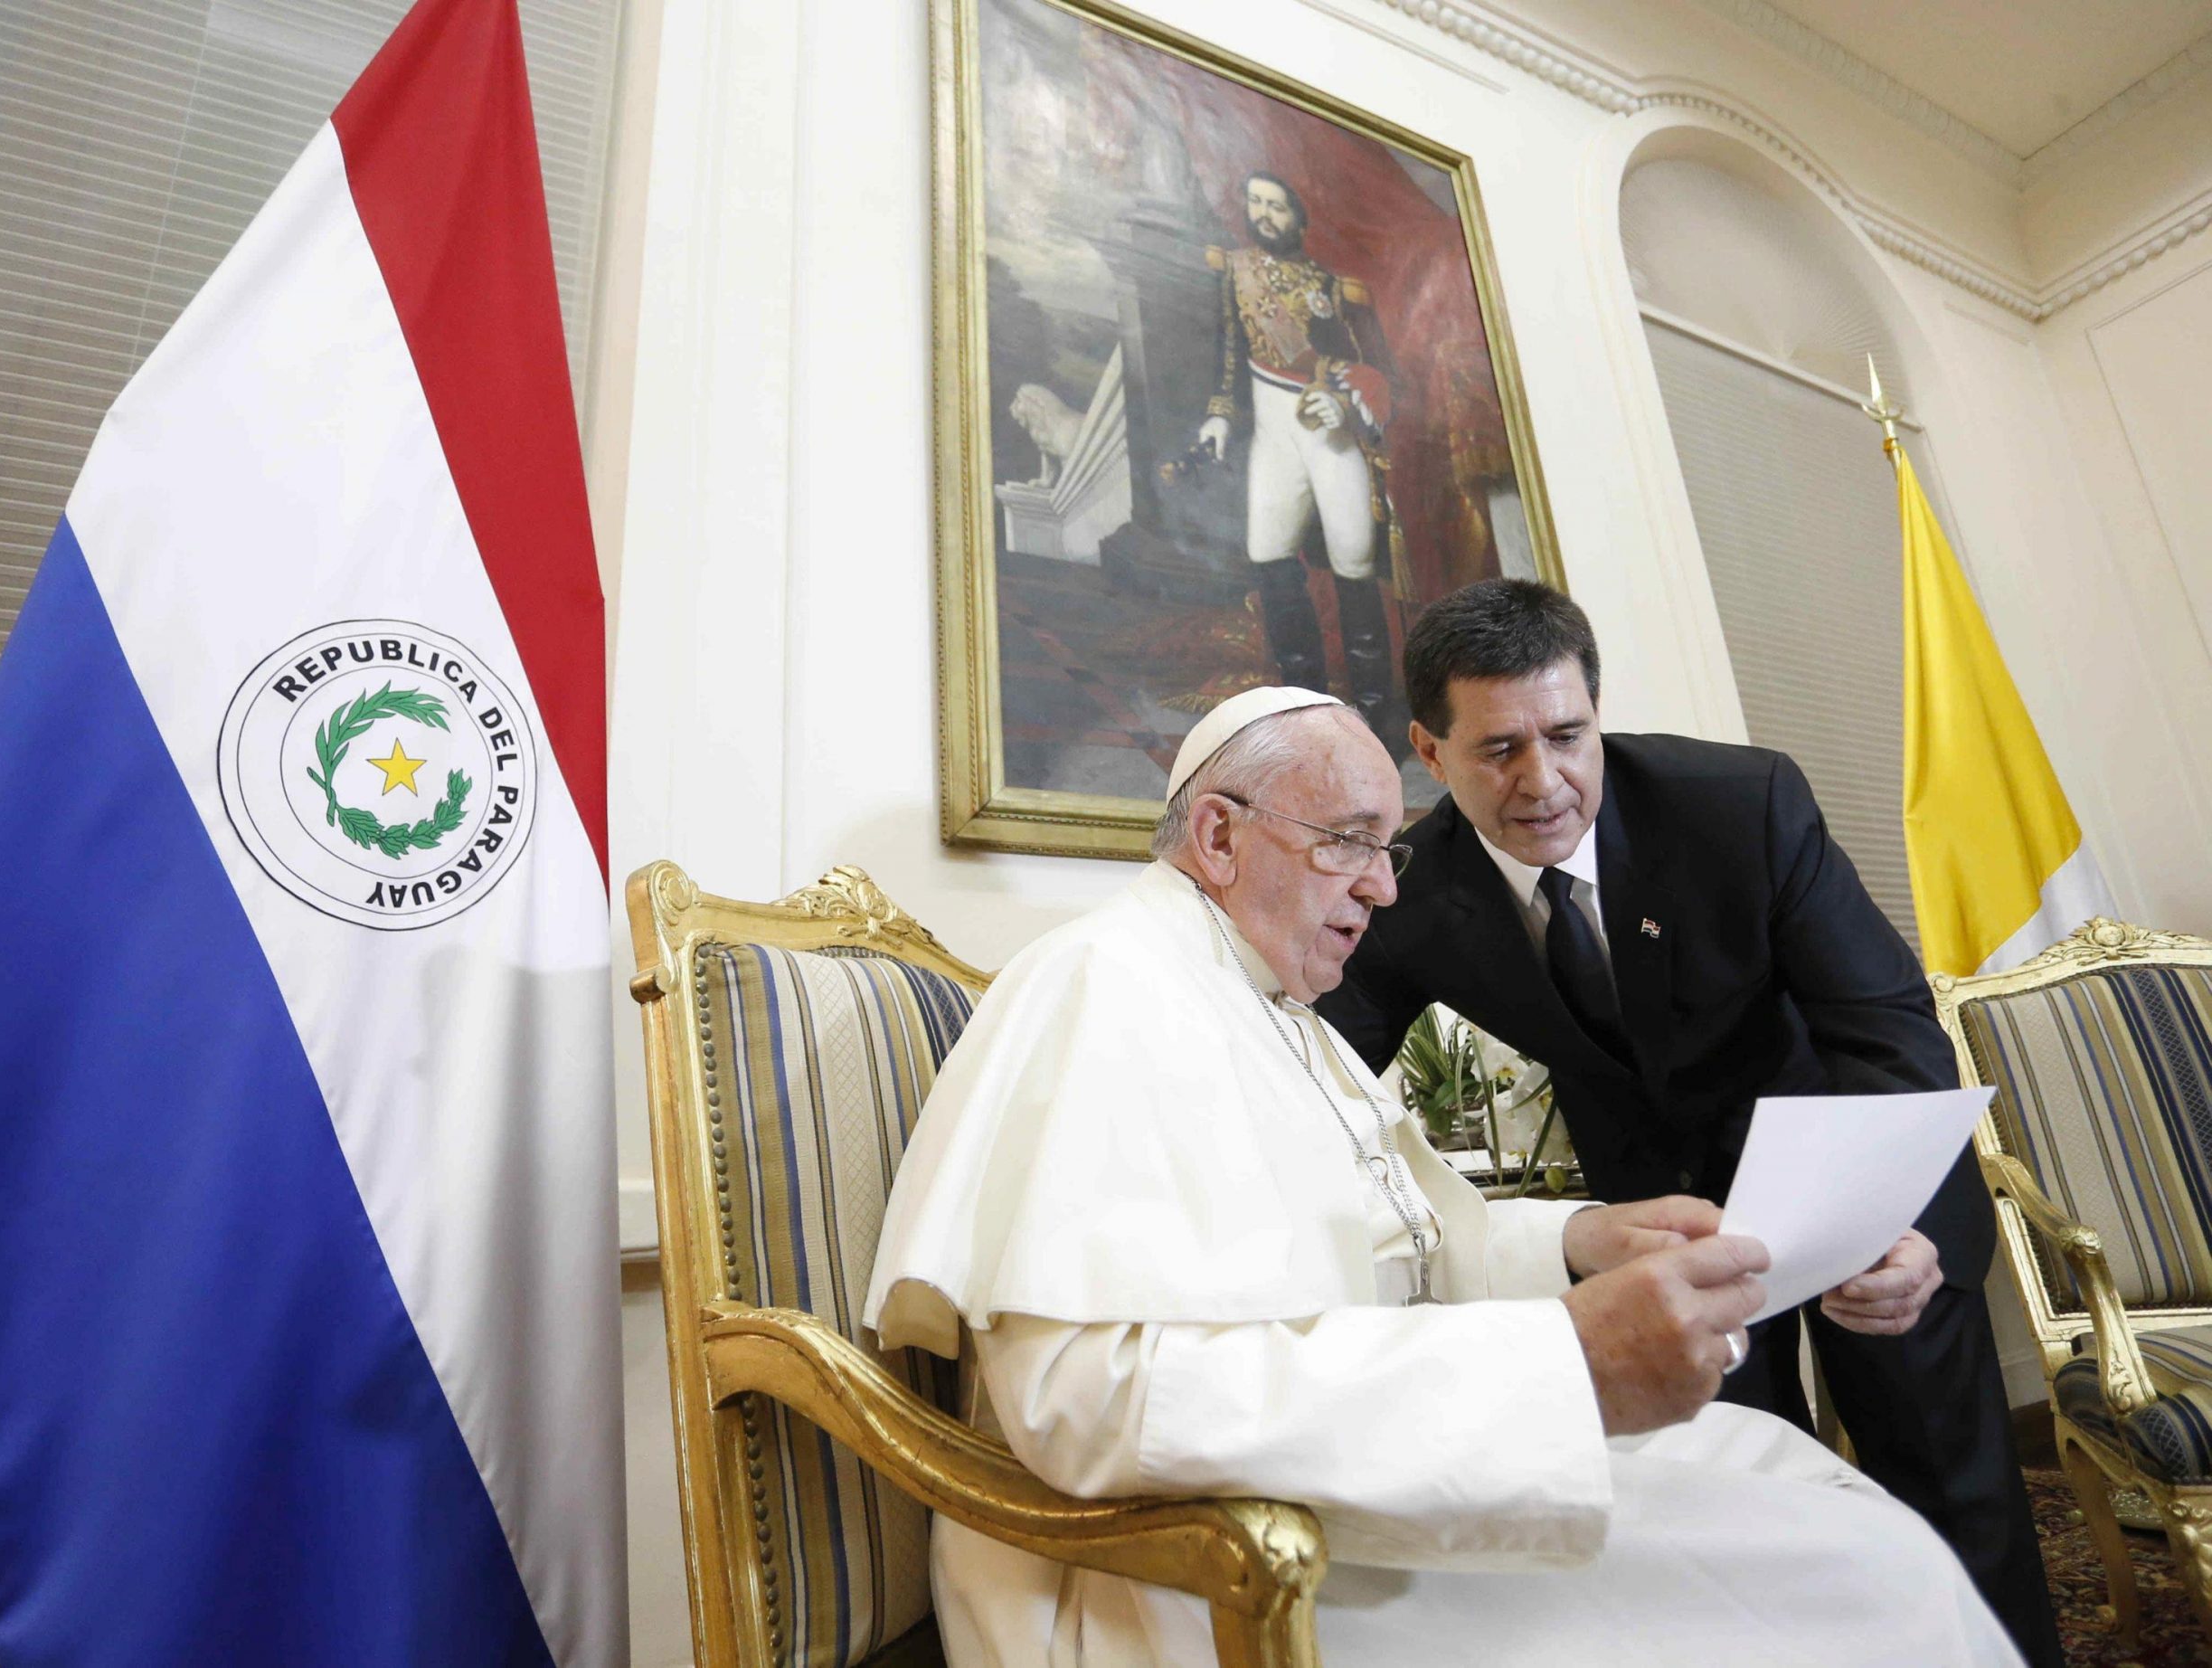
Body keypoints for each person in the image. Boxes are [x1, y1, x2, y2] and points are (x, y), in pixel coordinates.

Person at [865, 685, 2018, 1666]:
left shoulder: (1276, 1007)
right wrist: (1562, 1365)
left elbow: (1403, 1245)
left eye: (1388, 848)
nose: (1382, 887)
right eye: (1348, 840)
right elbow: (1089, 1401)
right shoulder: (1107, 984)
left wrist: (1580, 1240)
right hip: (1196, 1571)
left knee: (1789, 1480)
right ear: (1217, 836)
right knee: (1852, 1582)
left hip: (1323, 1485)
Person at [1316, 579, 2061, 1667]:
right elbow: (1325, 1069)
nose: (1542, 780)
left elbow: (1885, 1027)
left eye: (1567, 735)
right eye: (1499, 749)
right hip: (1664, 1218)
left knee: (1951, 1486)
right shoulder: (1413, 889)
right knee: (1738, 1504)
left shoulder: (1740, 800)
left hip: (1849, 1173)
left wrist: (1892, 1218)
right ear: (1430, 751)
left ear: (1595, 712)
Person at [1198, 173, 1403, 731]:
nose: (1264, 214)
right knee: (1269, 555)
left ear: (1298, 216)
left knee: (1353, 558)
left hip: (1330, 433)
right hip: (1272, 437)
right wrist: (1220, 414)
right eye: (1256, 203)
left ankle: (1376, 718)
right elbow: (1228, 351)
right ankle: (1304, 709)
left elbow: (1374, 367)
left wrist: (1346, 401)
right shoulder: (1235, 271)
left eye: (1277, 206)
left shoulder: (1334, 288)